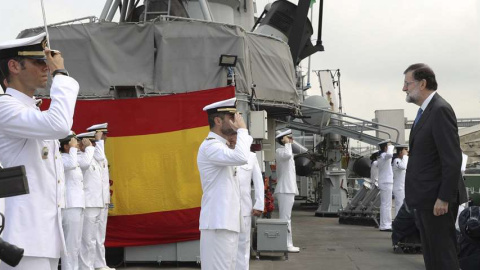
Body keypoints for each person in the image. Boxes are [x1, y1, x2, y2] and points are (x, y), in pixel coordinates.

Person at [0, 32, 79, 270]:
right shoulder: (5, 107)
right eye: (39, 62)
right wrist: (61, 75)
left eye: (47, 62)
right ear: (14, 66)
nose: (46, 67)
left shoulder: (30, 111)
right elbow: (59, 125)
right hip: (22, 237)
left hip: (41, 237)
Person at [403, 63, 468, 270]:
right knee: (432, 256)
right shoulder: (425, 111)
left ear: (422, 83)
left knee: (443, 256)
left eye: (407, 83)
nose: (404, 88)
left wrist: (444, 198)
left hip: (436, 200)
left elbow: (452, 158)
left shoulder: (440, 110)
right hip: (425, 198)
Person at [197, 97, 253, 269]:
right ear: (218, 120)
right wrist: (243, 131)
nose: (236, 121)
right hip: (218, 223)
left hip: (226, 223)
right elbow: (242, 157)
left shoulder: (222, 146)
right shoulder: (211, 146)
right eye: (232, 117)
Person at [226, 133, 264, 270]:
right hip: (227, 208)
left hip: (244, 207)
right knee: (227, 244)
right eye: (231, 136)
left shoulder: (251, 157)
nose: (232, 139)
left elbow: (258, 182)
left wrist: (259, 204)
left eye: (235, 136)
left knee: (243, 243)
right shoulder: (224, 153)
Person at [86, 123, 114, 270]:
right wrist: (97, 142)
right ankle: (91, 265)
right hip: (92, 200)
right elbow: (99, 156)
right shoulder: (90, 153)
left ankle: (100, 263)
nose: (106, 137)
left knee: (99, 236)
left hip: (102, 199)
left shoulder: (99, 152)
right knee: (90, 237)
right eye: (103, 135)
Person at [77, 131, 105, 270]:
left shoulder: (93, 157)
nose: (92, 145)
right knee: (86, 240)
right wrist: (88, 148)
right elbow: (85, 164)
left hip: (97, 203)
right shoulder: (80, 158)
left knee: (93, 240)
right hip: (87, 204)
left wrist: (97, 143)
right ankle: (85, 267)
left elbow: (100, 155)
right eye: (89, 142)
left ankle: (91, 266)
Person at [59, 132, 85, 270]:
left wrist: (74, 148)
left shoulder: (72, 157)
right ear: (65, 146)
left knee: (76, 243)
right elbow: (71, 164)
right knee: (69, 245)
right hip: (70, 205)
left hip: (78, 204)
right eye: (73, 143)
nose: (76, 144)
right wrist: (73, 149)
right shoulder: (61, 158)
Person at [274, 129, 300, 253]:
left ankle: (287, 243)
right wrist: (287, 143)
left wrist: (287, 143)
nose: (292, 140)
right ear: (283, 139)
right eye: (289, 138)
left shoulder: (286, 152)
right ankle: (286, 244)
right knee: (285, 218)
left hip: (288, 189)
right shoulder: (280, 151)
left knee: (286, 218)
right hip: (284, 189)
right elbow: (288, 154)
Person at [376, 139, 394, 232]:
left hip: (385, 181)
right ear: (385, 147)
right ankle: (385, 225)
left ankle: (385, 224)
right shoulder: (383, 155)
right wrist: (391, 146)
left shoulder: (381, 156)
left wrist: (389, 146)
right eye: (388, 146)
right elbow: (390, 155)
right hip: (386, 182)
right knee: (386, 204)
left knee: (385, 204)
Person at [392, 144, 408, 218]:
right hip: (399, 188)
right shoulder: (396, 160)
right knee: (399, 206)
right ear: (400, 152)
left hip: (402, 187)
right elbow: (403, 167)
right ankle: (397, 223)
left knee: (403, 206)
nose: (406, 152)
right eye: (405, 150)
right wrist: (405, 156)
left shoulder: (402, 160)